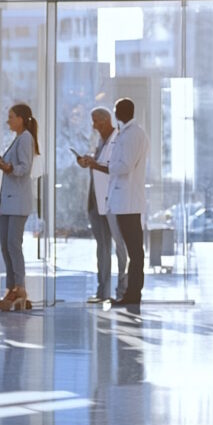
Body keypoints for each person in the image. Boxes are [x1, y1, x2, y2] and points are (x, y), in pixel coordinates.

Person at [80, 97, 149, 307]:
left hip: (127, 201)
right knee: (132, 249)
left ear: (119, 113)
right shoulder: (128, 134)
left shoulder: (131, 135)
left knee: (132, 250)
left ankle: (131, 293)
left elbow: (123, 166)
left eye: (116, 110)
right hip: (123, 200)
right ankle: (130, 292)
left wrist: (100, 166)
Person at [76, 106, 128, 303]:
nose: (93, 125)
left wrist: (93, 164)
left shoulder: (118, 140)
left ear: (105, 121)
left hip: (112, 201)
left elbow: (115, 169)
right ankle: (102, 291)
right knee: (102, 247)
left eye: (95, 120)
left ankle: (122, 291)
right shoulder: (101, 141)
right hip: (96, 200)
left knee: (119, 246)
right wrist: (88, 162)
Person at [0, 103, 39, 311]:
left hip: (18, 201)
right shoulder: (18, 139)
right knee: (6, 246)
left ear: (20, 118)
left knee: (13, 245)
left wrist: (7, 167)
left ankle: (19, 288)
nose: (8, 120)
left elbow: (24, 169)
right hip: (8, 200)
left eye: (11, 117)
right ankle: (12, 287)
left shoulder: (26, 138)